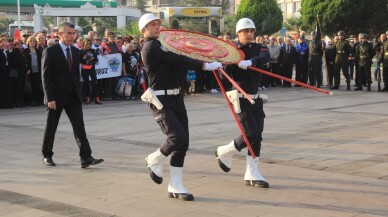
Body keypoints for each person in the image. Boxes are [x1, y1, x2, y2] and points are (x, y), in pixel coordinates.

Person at [139, 13, 221, 201]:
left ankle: (176, 185)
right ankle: (154, 159)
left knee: (183, 143)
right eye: (152, 25)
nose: (157, 27)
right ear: (144, 30)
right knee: (177, 137)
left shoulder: (162, 46)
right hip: (161, 100)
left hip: (176, 98)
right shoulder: (150, 47)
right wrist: (205, 66)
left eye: (158, 24)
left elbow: (181, 61)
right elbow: (179, 60)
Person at [215, 18, 270, 189]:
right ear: (238, 33)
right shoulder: (232, 50)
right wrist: (231, 62)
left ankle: (252, 172)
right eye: (246, 31)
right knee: (251, 133)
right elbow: (225, 71)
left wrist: (251, 61)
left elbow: (265, 56)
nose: (250, 34)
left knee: (257, 135)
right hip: (239, 96)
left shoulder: (257, 47)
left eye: (252, 31)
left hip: (255, 96)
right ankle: (225, 151)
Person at [41, 22, 104, 168]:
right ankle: (47, 155)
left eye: (73, 33)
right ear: (60, 34)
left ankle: (86, 157)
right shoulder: (51, 51)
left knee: (79, 127)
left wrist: (79, 92)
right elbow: (46, 77)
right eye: (69, 33)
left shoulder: (76, 52)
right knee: (51, 127)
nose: (72, 36)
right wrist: (49, 98)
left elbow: (75, 75)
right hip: (56, 97)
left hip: (73, 96)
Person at [80, 38, 101, 104]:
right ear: (84, 44)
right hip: (85, 69)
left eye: (89, 44)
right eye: (87, 44)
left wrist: (93, 58)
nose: (88, 45)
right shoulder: (81, 51)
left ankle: (97, 98)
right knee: (86, 84)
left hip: (92, 68)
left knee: (94, 83)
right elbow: (79, 60)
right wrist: (83, 58)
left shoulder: (93, 50)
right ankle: (88, 98)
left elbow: (96, 60)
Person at [25, 36, 43, 106]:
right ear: (28, 42)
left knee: (37, 86)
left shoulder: (38, 51)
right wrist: (27, 69)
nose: (32, 43)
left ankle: (38, 100)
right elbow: (24, 61)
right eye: (31, 41)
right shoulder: (26, 51)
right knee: (31, 86)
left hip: (38, 71)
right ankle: (31, 101)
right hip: (30, 71)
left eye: (34, 41)